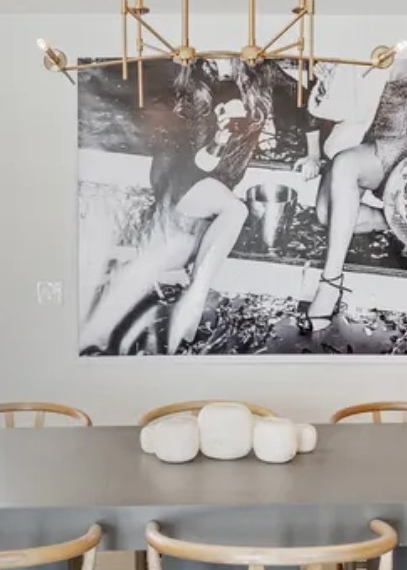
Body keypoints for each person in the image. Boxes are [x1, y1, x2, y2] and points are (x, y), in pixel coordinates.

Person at [79, 64, 268, 353]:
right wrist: (220, 137)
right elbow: (195, 163)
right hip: (183, 179)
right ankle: (193, 299)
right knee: (235, 211)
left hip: (211, 193)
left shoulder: (255, 82)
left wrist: (269, 130)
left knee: (157, 266)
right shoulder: (196, 87)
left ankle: (102, 332)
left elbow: (282, 109)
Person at [296, 56, 407, 333]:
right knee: (326, 216)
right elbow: (334, 109)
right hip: (366, 145)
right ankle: (396, 221)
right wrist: (326, 81)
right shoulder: (368, 50)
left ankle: (331, 282)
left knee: (344, 166)